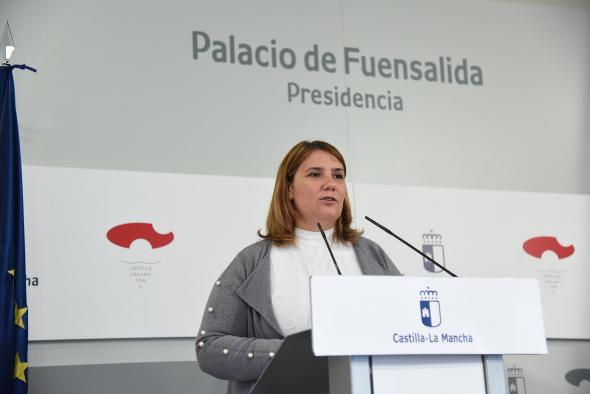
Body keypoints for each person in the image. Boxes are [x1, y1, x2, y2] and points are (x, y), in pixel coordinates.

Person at [196, 140, 401, 394]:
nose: (330, 183)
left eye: (338, 175)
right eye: (315, 174)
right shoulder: (251, 261)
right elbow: (210, 347)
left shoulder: (372, 254)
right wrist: (296, 354)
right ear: (288, 189)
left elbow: (405, 327)